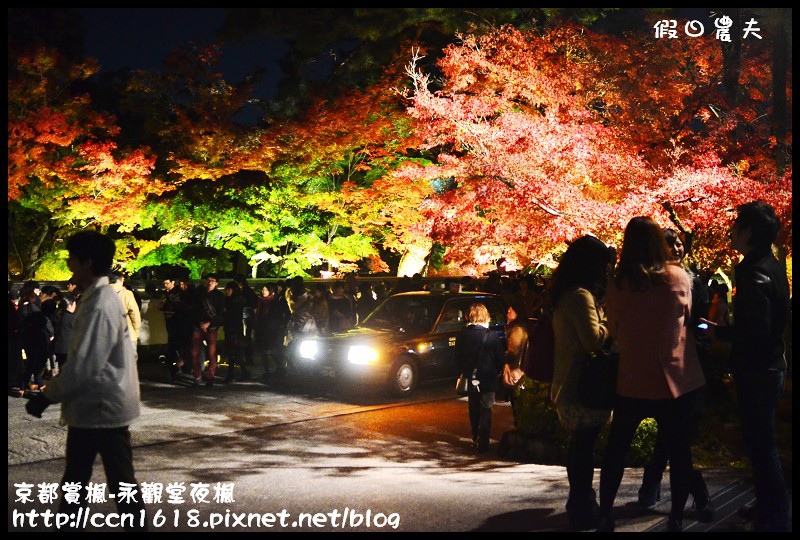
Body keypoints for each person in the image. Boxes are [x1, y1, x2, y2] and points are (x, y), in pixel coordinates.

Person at [24, 230, 148, 531]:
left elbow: (84, 363)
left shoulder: (99, 304)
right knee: (88, 479)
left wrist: (47, 396)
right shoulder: (99, 298)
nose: (68, 264)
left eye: (72, 258)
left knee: (103, 480)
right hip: (100, 405)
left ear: (88, 262)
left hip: (101, 406)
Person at [597, 217, 706, 532]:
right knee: (679, 450)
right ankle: (675, 517)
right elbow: (686, 317)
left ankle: (606, 514)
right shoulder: (678, 277)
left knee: (617, 449)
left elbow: (614, 330)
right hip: (674, 378)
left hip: (633, 377)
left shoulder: (618, 283)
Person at [701, 201, 791, 532]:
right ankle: (769, 506)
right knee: (760, 441)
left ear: (749, 231)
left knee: (761, 443)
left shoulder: (755, 273)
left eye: (737, 224)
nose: (731, 230)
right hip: (770, 365)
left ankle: (776, 515)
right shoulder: (770, 264)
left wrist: (720, 332)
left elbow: (755, 331)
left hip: (758, 370)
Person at [635, 228, 715, 520]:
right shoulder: (652, 281)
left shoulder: (693, 279)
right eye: (670, 244)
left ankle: (653, 487)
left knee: (674, 435)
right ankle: (692, 494)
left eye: (680, 243)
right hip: (667, 366)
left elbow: (701, 318)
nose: (677, 248)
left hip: (688, 364)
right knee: (674, 435)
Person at [548, 235, 616, 531]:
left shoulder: (569, 293)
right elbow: (593, 340)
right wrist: (612, 319)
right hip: (581, 384)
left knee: (580, 447)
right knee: (584, 448)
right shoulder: (579, 296)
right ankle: (582, 505)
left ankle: (580, 502)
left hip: (570, 380)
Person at [454, 302, 505, 453]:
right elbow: (500, 359)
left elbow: (457, 359)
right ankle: (483, 441)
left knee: (473, 409)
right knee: (486, 409)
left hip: (470, 378)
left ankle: (475, 436)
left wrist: (465, 371)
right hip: (488, 378)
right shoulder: (492, 336)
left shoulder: (462, 335)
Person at [188, 273, 225, 387]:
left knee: (211, 354)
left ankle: (210, 377)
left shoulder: (219, 296)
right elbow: (194, 310)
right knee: (194, 353)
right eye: (208, 280)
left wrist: (209, 323)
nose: (210, 282)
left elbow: (220, 314)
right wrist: (200, 323)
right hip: (198, 327)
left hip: (212, 328)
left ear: (216, 283)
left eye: (213, 281)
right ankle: (197, 377)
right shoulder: (199, 294)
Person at [500, 301, 530, 428]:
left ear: (517, 314)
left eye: (510, 312)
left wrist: (500, 357)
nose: (507, 314)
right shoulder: (520, 327)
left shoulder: (517, 330)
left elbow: (513, 352)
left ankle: (520, 426)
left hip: (516, 371)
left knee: (516, 401)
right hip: (521, 369)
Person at [222, 281, 251, 383]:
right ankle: (243, 372)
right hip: (230, 329)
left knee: (233, 352)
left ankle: (232, 374)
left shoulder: (235, 302)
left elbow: (233, 316)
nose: (227, 291)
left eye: (229, 289)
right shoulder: (230, 300)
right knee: (234, 353)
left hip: (234, 329)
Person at [109, 270, 142, 360]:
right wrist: (136, 330)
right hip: (126, 333)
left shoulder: (102, 293)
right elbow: (134, 313)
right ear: (119, 280)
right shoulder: (126, 293)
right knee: (130, 361)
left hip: (109, 334)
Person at [53, 292, 77, 368]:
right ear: (70, 305)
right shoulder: (71, 318)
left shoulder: (59, 315)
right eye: (74, 304)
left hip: (59, 348)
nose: (75, 306)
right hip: (67, 349)